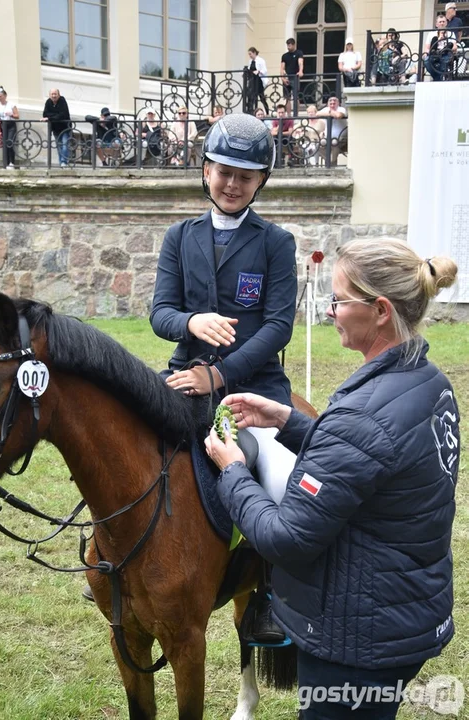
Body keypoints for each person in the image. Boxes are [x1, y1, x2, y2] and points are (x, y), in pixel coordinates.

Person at [205, 237, 459, 719]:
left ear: (381, 310)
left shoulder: (364, 413)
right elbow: (371, 463)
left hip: (354, 641)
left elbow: (286, 538)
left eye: (340, 300)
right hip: (402, 616)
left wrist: (233, 469)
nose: (330, 311)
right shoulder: (428, 382)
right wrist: (288, 419)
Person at [150, 113, 298, 642]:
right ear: (206, 169)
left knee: (284, 486)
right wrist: (190, 322)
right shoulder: (179, 236)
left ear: (261, 181)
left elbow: (279, 325)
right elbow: (159, 313)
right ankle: (114, 556)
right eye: (225, 171)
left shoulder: (275, 242)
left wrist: (219, 375)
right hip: (182, 377)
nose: (233, 184)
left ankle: (271, 596)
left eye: (247, 175)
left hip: (253, 389)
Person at [42, 88, 71, 168]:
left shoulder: (62, 100)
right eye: (52, 94)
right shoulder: (48, 102)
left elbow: (63, 114)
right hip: (55, 128)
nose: (54, 96)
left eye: (55, 94)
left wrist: (50, 117)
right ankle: (61, 163)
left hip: (65, 127)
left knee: (65, 145)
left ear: (59, 95)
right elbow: (45, 114)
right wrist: (54, 116)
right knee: (59, 146)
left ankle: (64, 162)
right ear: (50, 95)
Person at [424, 15, 457, 81]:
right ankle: (438, 79)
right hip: (434, 53)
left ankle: (437, 80)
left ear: (446, 23)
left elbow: (455, 47)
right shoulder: (431, 34)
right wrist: (439, 39)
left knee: (444, 62)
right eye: (440, 22)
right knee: (426, 61)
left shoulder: (451, 33)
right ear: (436, 24)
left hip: (446, 53)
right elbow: (427, 48)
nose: (442, 23)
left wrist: (448, 48)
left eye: (443, 22)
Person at [0, 86, 19, 169]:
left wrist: (11, 114)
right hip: (1, 127)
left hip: (10, 125)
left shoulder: (11, 104)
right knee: (4, 144)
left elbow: (17, 116)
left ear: (5, 96)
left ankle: (11, 163)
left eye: (0, 96)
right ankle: (5, 163)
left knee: (9, 143)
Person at [317, 94, 347, 165]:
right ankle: (330, 162)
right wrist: (330, 113)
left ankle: (330, 164)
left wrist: (330, 112)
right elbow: (317, 114)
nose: (332, 104)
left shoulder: (341, 109)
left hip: (341, 137)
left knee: (334, 143)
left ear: (338, 103)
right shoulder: (326, 109)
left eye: (334, 102)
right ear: (327, 104)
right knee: (318, 145)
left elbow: (339, 115)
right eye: (330, 102)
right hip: (327, 137)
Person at [280, 38, 304, 115]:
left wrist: (300, 71)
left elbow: (300, 62)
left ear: (294, 45)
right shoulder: (284, 56)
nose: (288, 47)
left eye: (290, 45)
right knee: (287, 98)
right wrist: (282, 78)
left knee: (296, 96)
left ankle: (296, 114)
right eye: (287, 45)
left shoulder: (299, 53)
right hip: (287, 77)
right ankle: (289, 115)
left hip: (295, 77)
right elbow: (282, 67)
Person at [246, 47, 269, 115]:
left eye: (250, 54)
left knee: (261, 97)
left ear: (254, 53)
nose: (249, 56)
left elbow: (264, 70)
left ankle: (267, 112)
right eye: (249, 54)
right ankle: (251, 112)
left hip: (258, 81)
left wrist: (258, 71)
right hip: (252, 81)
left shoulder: (260, 60)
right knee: (251, 97)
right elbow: (249, 69)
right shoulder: (250, 61)